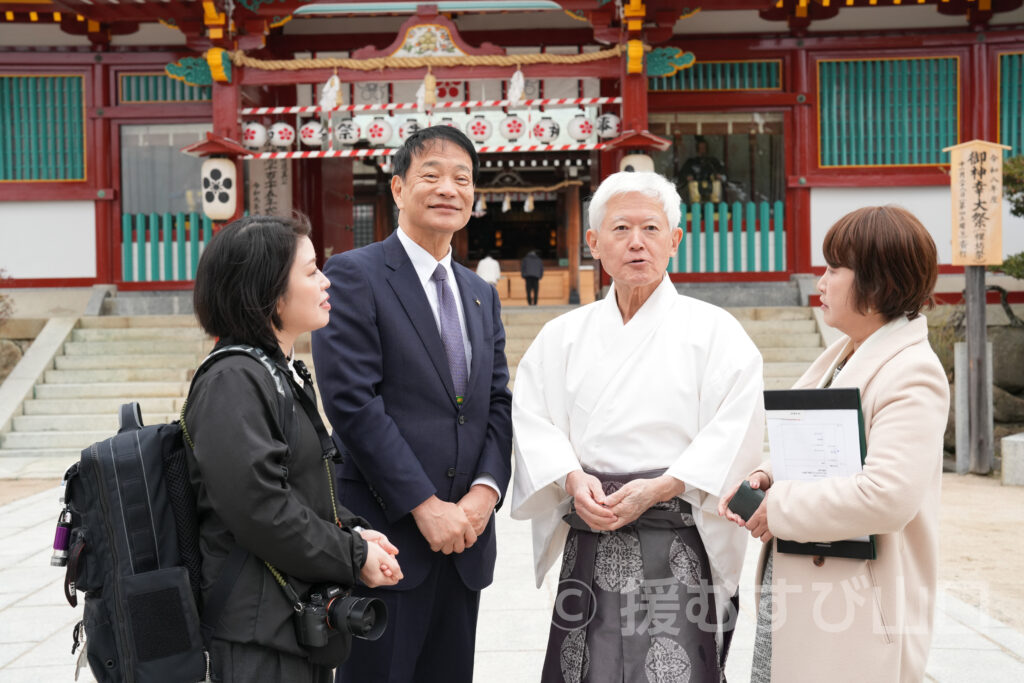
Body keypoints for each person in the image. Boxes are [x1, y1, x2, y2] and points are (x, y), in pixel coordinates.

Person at [511, 171, 765, 682]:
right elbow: (533, 418)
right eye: (620, 228)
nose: (636, 243)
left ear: (674, 240)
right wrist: (569, 477)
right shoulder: (562, 337)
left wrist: (665, 485)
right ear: (594, 242)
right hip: (593, 524)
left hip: (675, 533)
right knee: (586, 666)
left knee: (672, 665)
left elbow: (735, 429)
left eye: (651, 229)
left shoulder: (716, 334)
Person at [312, 125, 513, 683]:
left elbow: (497, 400)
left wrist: (483, 494)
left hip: (466, 540)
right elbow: (352, 404)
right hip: (389, 538)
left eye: (462, 178)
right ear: (398, 189)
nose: (449, 188)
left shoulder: (480, 293)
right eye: (431, 175)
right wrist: (425, 506)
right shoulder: (355, 274)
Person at [719, 206, 949, 682]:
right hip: (806, 587)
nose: (820, 283)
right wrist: (771, 472)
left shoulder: (913, 372)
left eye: (833, 269)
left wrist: (777, 505)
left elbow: (887, 495)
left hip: (856, 604)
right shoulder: (844, 353)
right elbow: (823, 446)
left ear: (877, 281)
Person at [185, 214, 403, 682]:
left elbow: (301, 488)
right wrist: (351, 555)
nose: (326, 282)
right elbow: (259, 507)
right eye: (310, 271)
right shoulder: (232, 380)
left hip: (285, 620)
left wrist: (355, 533)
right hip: (253, 635)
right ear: (265, 290)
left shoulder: (273, 370)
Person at [679, 136, 726, 204]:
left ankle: (716, 204)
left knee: (717, 184)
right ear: (697, 149)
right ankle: (695, 204)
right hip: (696, 192)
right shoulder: (691, 162)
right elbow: (682, 175)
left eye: (704, 148)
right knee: (692, 184)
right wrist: (687, 177)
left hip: (711, 189)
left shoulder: (713, 162)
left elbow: (723, 175)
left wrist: (719, 176)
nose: (703, 150)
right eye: (701, 148)